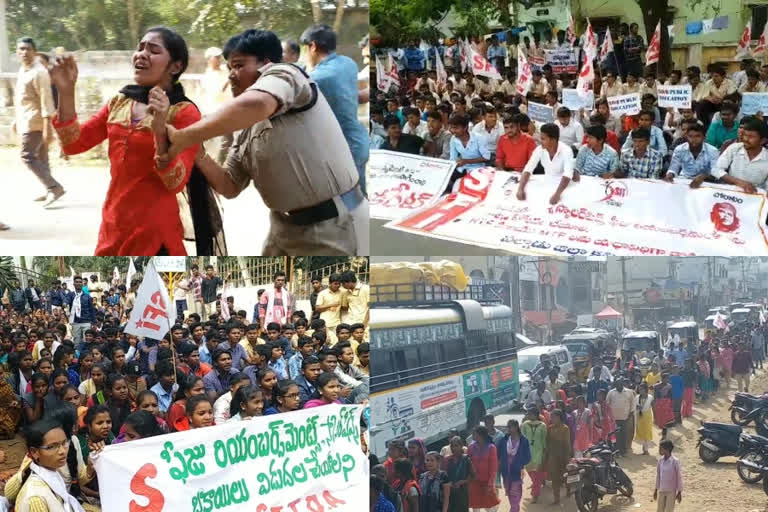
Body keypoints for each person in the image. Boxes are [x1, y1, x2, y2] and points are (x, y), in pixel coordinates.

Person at [161, 29, 368, 255]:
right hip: (282, 228)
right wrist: (197, 152)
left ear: (266, 64)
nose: (231, 75)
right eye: (229, 67)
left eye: (239, 66)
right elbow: (229, 185)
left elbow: (259, 103)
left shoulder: (285, 74)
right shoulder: (247, 128)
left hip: (333, 226)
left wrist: (187, 135)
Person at [49, 28, 223, 255]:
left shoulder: (184, 112)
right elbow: (74, 144)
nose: (141, 54)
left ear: (175, 66)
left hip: (155, 232)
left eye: (153, 50)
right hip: (114, 223)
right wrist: (66, 92)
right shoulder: (119, 101)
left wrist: (160, 129)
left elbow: (175, 182)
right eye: (140, 47)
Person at [14, 38, 66, 207]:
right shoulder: (23, 70)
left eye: (27, 49)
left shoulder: (39, 72)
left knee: (27, 155)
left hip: (35, 121)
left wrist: (47, 128)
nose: (24, 52)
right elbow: (22, 99)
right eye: (21, 49)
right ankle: (49, 189)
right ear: (17, 52)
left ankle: (54, 187)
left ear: (34, 52)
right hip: (26, 118)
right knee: (42, 156)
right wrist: (17, 119)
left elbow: (46, 101)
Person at [696, 117, 768, 193]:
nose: (745, 139)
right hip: (729, 193)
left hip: (754, 198)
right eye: (745, 135)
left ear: (762, 141)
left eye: (751, 137)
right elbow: (716, 169)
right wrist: (739, 182)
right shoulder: (734, 148)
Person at [517, 123, 574, 205]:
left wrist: (557, 194)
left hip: (563, 185)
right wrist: (520, 189)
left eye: (543, 139)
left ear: (553, 140)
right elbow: (528, 168)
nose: (540, 141)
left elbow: (567, 175)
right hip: (547, 181)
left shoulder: (567, 150)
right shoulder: (540, 149)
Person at [446, 113, 491, 192]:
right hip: (462, 169)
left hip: (478, 169)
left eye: (456, 128)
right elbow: (452, 158)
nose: (453, 131)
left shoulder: (479, 138)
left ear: (465, 128)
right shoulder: (453, 139)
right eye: (451, 128)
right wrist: (454, 164)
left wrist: (466, 161)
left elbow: (486, 157)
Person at [495, 419, 529, 512]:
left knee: (515, 492)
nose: (509, 428)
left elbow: (528, 456)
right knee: (509, 492)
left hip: (517, 471)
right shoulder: (504, 440)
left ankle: (514, 509)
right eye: (508, 426)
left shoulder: (523, 440)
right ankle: (514, 507)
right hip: (506, 471)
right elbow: (498, 453)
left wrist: (519, 464)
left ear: (517, 427)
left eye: (511, 426)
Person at [466, 425, 499, 511]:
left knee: (489, 507)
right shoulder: (471, 447)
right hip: (474, 481)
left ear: (480, 435)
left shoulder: (491, 448)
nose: (472, 436)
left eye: (474, 434)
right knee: (475, 507)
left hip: (487, 482)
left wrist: (490, 483)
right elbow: (468, 464)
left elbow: (493, 468)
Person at [544, 409, 570, 505]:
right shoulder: (550, 428)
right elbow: (547, 442)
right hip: (553, 457)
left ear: (559, 418)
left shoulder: (565, 428)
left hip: (563, 456)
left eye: (554, 417)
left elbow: (567, 444)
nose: (552, 419)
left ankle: (568, 489)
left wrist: (567, 458)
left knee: (565, 476)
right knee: (554, 478)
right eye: (551, 417)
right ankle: (556, 498)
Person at [520, 406, 546, 503]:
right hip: (528, 453)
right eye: (528, 413)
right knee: (532, 474)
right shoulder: (525, 425)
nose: (529, 415)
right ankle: (537, 486)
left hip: (539, 453)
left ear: (536, 415)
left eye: (531, 413)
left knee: (537, 476)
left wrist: (544, 453)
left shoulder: (542, 425)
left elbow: (544, 440)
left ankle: (535, 495)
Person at [653, 440, 683, 512]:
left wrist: (679, 492)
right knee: (660, 509)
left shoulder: (675, 461)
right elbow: (658, 476)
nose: (659, 450)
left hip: (671, 491)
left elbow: (679, 477)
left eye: (661, 449)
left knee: (669, 510)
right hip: (662, 490)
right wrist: (656, 490)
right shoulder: (660, 461)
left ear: (667, 450)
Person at [606, 378, 634, 456]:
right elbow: (607, 405)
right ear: (615, 384)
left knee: (624, 435)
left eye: (620, 384)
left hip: (625, 418)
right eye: (617, 384)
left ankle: (624, 451)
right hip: (614, 419)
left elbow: (633, 404)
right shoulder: (611, 393)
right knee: (615, 436)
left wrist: (630, 414)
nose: (619, 385)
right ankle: (617, 451)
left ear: (623, 384)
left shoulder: (629, 392)